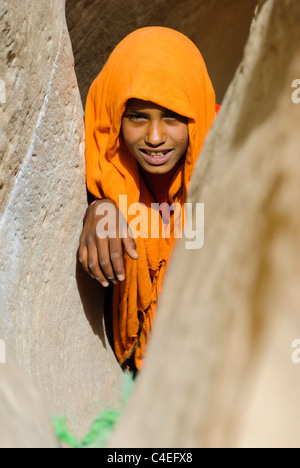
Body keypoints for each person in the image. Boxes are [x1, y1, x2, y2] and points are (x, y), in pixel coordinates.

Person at [79, 27, 218, 373]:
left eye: (172, 117)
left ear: (196, 117)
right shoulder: (104, 158)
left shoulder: (233, 155)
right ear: (114, 117)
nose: (155, 138)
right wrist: (98, 207)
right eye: (137, 117)